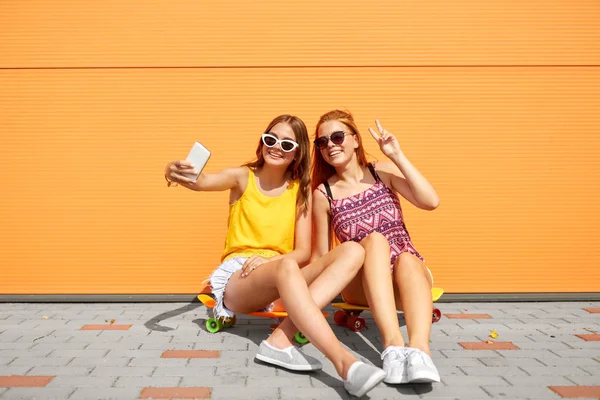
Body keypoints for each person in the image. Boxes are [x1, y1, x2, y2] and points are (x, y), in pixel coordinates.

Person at [165, 114, 386, 397]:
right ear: (262, 143)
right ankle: (346, 365)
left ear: (297, 153)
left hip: (280, 274)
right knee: (286, 269)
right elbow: (201, 180)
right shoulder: (241, 177)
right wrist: (173, 169)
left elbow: (303, 251)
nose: (276, 147)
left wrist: (272, 261)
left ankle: (279, 342)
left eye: (286, 144)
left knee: (353, 250)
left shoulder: (300, 190)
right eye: (271, 139)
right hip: (241, 276)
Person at [311, 110, 441, 384]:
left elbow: (430, 202)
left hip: (406, 278)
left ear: (356, 140)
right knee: (376, 241)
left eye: (337, 137)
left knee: (406, 258)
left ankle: (420, 352)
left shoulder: (381, 171)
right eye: (322, 142)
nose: (330, 145)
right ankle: (392, 348)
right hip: (361, 286)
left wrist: (397, 155)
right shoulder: (324, 194)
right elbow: (321, 257)